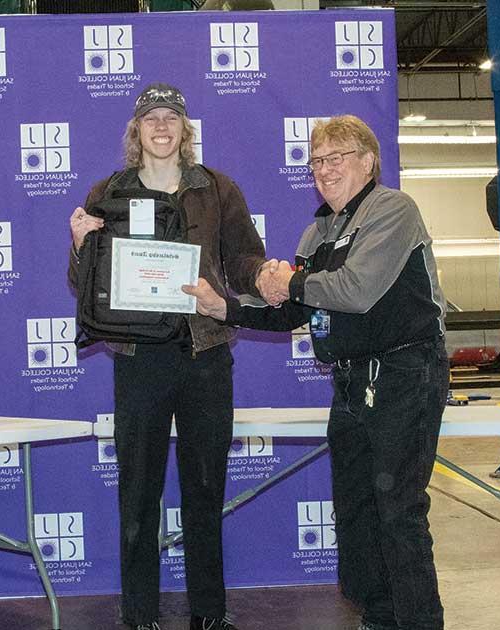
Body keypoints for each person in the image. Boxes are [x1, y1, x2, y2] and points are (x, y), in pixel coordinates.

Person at [183, 115, 449, 630]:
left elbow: (356, 289)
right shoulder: (317, 230)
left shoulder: (393, 210)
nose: (324, 170)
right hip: (351, 383)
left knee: (398, 509)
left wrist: (292, 280)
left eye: (337, 158)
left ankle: (419, 622)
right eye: (317, 161)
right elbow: (290, 311)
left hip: (404, 373)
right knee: (356, 511)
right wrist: (226, 309)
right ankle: (380, 616)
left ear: (368, 162)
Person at [68, 83, 268, 630]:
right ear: (136, 131)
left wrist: (257, 283)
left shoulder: (219, 189)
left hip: (206, 356)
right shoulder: (107, 192)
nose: (161, 126)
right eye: (150, 118)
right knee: (138, 495)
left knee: (206, 490)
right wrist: (82, 246)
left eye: (171, 117)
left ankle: (209, 613)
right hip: (139, 360)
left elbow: (246, 259)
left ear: (185, 129)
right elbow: (82, 283)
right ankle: (139, 616)